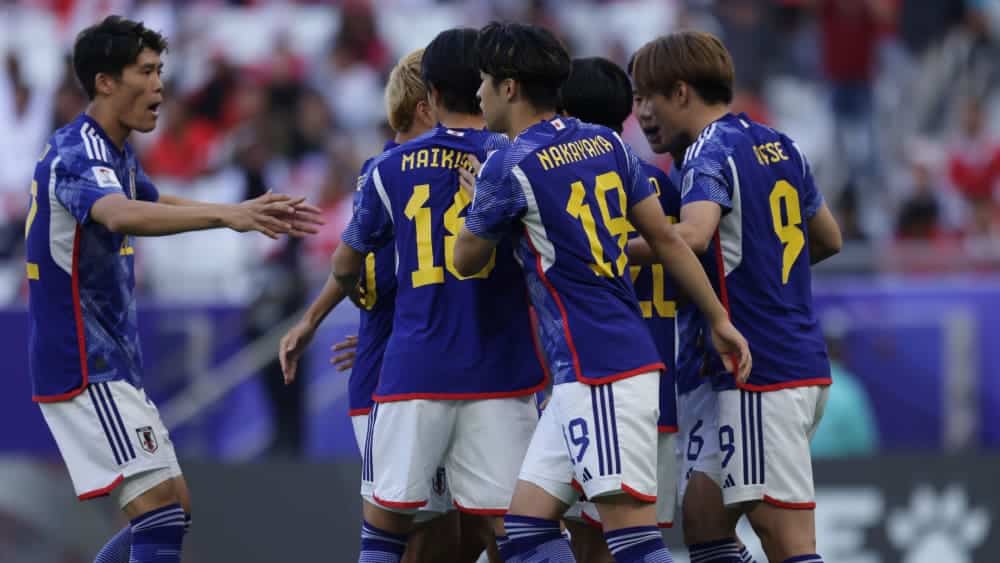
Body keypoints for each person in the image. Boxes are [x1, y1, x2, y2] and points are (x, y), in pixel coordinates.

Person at [25, 16, 321, 563]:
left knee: (172, 510)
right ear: (105, 82)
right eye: (145, 71)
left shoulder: (112, 150)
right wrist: (227, 216)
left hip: (113, 362)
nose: (160, 85)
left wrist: (242, 211)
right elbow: (119, 214)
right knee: (158, 512)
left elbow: (153, 200)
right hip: (84, 363)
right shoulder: (78, 152)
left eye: (160, 70)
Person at [453, 22, 750, 563]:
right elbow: (667, 239)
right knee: (526, 531)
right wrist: (718, 318)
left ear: (509, 87)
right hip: (594, 368)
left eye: (485, 81)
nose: (478, 93)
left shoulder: (508, 165)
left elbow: (464, 259)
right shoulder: (607, 142)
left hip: (600, 369)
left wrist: (478, 208)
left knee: (633, 542)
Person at [331, 28, 546, 563]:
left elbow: (344, 265)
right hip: (499, 370)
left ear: (428, 94)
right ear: (485, 85)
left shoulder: (387, 169)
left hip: (413, 372)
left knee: (386, 533)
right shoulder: (516, 158)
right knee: (522, 534)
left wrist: (366, 301)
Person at [629, 31, 842, 563]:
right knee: (705, 521)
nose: (641, 113)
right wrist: (766, 275)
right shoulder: (781, 144)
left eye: (647, 97)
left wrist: (602, 248)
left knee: (783, 536)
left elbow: (695, 235)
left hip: (758, 368)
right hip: (778, 359)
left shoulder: (709, 150)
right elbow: (829, 238)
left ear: (681, 92)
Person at [280, 47, 494, 563]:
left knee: (455, 533)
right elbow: (360, 268)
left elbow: (362, 271)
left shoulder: (382, 172)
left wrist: (319, 319)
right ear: (426, 107)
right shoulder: (406, 174)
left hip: (407, 365)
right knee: (430, 535)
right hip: (398, 378)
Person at [552, 56, 682, 563]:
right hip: (660, 386)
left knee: (588, 539)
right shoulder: (661, 186)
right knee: (626, 539)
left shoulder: (566, 185)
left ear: (563, 111)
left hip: (602, 377)